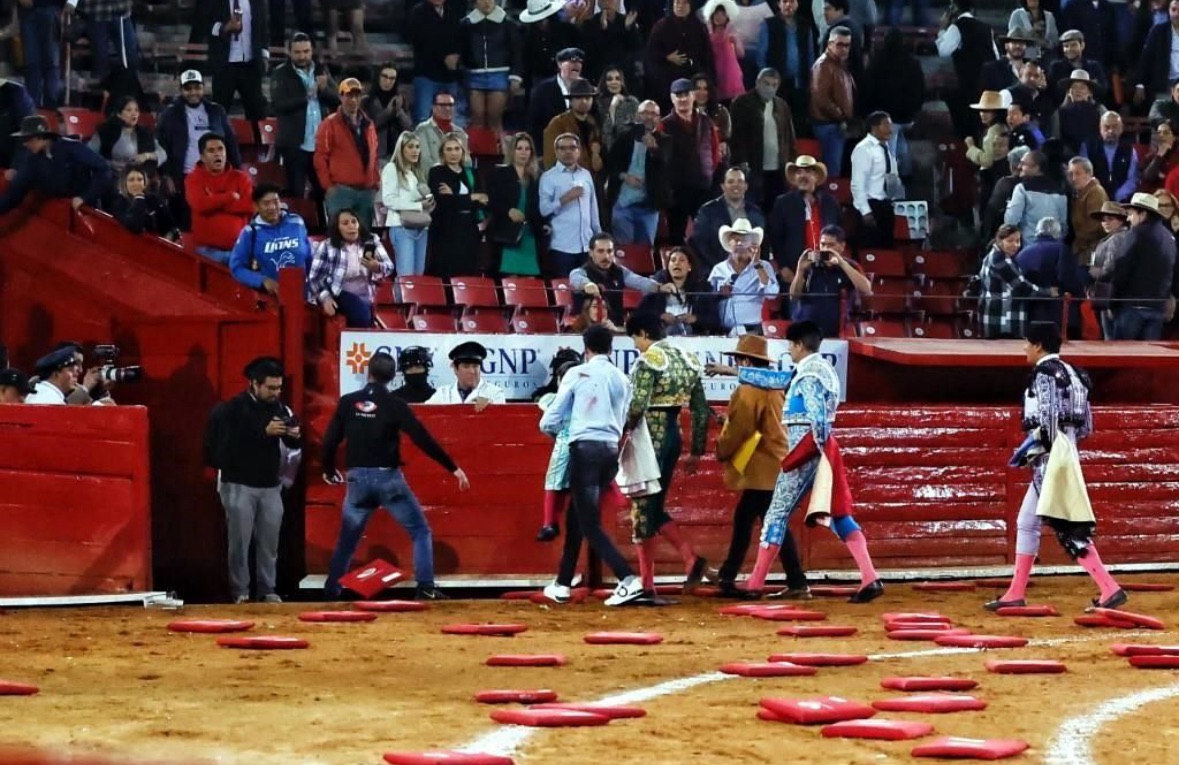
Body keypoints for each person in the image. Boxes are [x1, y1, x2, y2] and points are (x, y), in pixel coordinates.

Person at [986, 322, 1126, 612]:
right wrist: (1068, 447)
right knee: (1027, 522)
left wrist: (1045, 449)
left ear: (1038, 345)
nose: (1024, 349)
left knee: (1066, 525)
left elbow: (1048, 416)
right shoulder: (1076, 373)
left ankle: (1109, 587)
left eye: (1027, 343)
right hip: (1067, 449)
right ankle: (1015, 592)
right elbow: (1087, 425)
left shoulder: (1044, 374)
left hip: (1051, 454)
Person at [743, 320, 883, 603]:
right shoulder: (815, 370)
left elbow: (817, 418)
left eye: (789, 346)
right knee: (838, 515)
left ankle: (754, 583)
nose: (788, 351)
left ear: (798, 345)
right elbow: (779, 381)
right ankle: (870, 577)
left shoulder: (809, 376)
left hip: (807, 452)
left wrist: (816, 453)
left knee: (776, 514)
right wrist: (736, 372)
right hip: (818, 451)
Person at [321, 351, 470, 602]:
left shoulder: (348, 401)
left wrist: (328, 469)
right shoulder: (396, 405)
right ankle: (425, 586)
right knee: (420, 531)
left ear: (368, 373)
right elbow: (422, 438)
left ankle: (331, 591)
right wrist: (452, 467)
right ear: (392, 377)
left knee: (347, 540)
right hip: (387, 479)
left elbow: (330, 441)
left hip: (356, 479)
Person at [539, 325, 645, 606]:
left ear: (586, 348)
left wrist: (558, 432)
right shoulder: (622, 378)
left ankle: (627, 579)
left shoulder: (576, 373)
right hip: (610, 450)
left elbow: (550, 419)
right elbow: (625, 419)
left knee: (588, 522)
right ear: (611, 349)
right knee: (578, 517)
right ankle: (562, 583)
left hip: (584, 450)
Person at [624, 311, 712, 605]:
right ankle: (688, 558)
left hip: (650, 439)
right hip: (673, 438)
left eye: (635, 339)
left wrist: (622, 433)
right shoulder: (688, 359)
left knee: (642, 507)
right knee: (654, 506)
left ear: (643, 334)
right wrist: (697, 450)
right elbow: (700, 410)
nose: (636, 345)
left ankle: (647, 586)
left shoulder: (647, 360)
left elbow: (637, 405)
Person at [714, 329, 810, 599]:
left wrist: (722, 447)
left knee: (757, 521)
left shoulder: (748, 390)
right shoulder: (775, 387)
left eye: (738, 360)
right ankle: (792, 580)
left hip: (762, 466)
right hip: (775, 462)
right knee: (763, 521)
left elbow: (741, 430)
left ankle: (730, 577)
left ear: (745, 362)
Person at [202, 356, 300, 604]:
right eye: (270, 387)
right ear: (254, 384)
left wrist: (293, 436)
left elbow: (292, 448)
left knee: (269, 546)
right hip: (238, 484)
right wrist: (262, 434)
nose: (276, 392)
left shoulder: (282, 409)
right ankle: (240, 592)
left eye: (279, 387)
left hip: (270, 485)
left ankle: (267, 590)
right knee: (239, 544)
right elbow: (218, 452)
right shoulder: (230, 410)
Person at [270, 32, 338, 199]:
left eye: (306, 51)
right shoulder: (281, 73)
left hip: (320, 146)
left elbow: (337, 101)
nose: (302, 56)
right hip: (294, 146)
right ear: (289, 52)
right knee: (296, 194)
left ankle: (320, 225)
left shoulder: (321, 70)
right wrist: (306, 97)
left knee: (323, 193)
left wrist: (322, 90)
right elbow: (278, 106)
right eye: (298, 52)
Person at [155, 71, 240, 202]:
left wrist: (237, 172)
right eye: (188, 88)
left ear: (203, 87)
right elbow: (162, 145)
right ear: (181, 90)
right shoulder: (170, 114)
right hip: (184, 176)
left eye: (197, 87)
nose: (193, 92)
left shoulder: (217, 111)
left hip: (216, 176)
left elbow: (230, 142)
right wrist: (166, 175)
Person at [0, 116, 111, 216]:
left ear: (40, 137)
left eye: (27, 139)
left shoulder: (72, 148)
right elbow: (15, 194)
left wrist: (85, 197)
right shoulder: (32, 161)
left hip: (87, 211)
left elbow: (103, 169)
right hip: (63, 213)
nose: (25, 144)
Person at [308, 208, 394, 328]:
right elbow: (314, 278)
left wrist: (377, 266)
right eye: (345, 223)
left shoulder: (371, 240)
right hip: (338, 292)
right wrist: (325, 298)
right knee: (361, 314)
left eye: (354, 222)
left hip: (367, 294)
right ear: (337, 228)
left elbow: (389, 267)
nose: (351, 226)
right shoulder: (327, 246)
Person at [1108, 192, 1178, 339]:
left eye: (1131, 214)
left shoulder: (1134, 234)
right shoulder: (1169, 238)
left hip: (1131, 307)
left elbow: (1122, 270)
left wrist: (1112, 302)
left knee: (1123, 358)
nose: (1128, 218)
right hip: (1157, 308)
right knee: (1147, 360)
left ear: (1143, 214)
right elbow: (1174, 273)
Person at [659, 78, 720, 245]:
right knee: (676, 236)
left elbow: (715, 153)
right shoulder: (664, 125)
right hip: (676, 192)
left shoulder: (707, 122)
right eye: (678, 95)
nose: (683, 99)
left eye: (686, 94)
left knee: (707, 234)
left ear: (693, 96)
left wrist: (706, 173)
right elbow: (659, 161)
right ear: (672, 98)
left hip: (703, 189)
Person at [768, 155, 840, 290]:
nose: (803, 176)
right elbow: (775, 238)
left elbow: (838, 235)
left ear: (816, 177)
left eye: (808, 172)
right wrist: (783, 267)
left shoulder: (830, 203)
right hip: (793, 271)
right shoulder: (783, 203)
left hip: (825, 272)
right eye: (799, 172)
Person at [729, 69, 796, 212]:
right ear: (757, 83)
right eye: (766, 83)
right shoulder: (742, 103)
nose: (770, 88)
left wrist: (791, 162)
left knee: (776, 210)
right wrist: (741, 162)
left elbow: (790, 138)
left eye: (774, 85)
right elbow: (735, 137)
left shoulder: (782, 106)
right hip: (752, 169)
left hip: (778, 169)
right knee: (752, 210)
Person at [315, 78, 380, 226]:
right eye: (349, 95)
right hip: (341, 191)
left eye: (357, 96)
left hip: (366, 191)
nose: (353, 100)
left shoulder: (368, 124)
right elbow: (320, 157)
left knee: (364, 237)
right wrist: (329, 186)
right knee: (339, 238)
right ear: (340, 97)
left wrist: (375, 182)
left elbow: (374, 155)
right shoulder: (329, 124)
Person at [229, 183, 313, 296]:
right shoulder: (249, 232)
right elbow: (236, 268)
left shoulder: (296, 222)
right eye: (266, 203)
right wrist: (261, 280)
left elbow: (309, 258)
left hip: (302, 294)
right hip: (270, 300)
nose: (272, 207)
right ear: (256, 206)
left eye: (275, 201)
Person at [570, 233, 671, 326]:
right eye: (600, 251)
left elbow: (640, 281)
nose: (606, 256)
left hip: (615, 327)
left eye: (609, 251)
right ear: (591, 253)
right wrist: (586, 284)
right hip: (586, 328)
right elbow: (575, 278)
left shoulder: (620, 272)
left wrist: (660, 287)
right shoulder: (580, 272)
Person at [606, 100, 670, 247]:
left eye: (653, 114)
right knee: (624, 252)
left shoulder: (665, 140)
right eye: (644, 113)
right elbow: (610, 164)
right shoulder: (624, 138)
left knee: (645, 254)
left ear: (659, 118)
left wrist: (654, 148)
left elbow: (667, 164)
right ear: (637, 116)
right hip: (623, 205)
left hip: (649, 207)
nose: (648, 117)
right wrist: (624, 176)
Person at [863, 30, 925, 182]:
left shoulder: (878, 62)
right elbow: (921, 89)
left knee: (889, 156)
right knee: (899, 143)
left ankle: (893, 193)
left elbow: (869, 89)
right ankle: (906, 175)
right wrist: (915, 111)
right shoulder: (913, 63)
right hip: (907, 117)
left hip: (887, 118)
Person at [789, 224, 872, 336]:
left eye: (831, 245)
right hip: (806, 331)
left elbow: (866, 289)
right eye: (823, 245)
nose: (826, 249)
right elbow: (793, 296)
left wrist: (842, 263)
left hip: (835, 332)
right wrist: (800, 271)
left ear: (842, 246)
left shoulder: (851, 266)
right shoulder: (810, 264)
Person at [977, 223, 1057, 339]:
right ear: (999, 241)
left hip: (995, 319)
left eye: (1018, 241)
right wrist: (1048, 292)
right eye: (1010, 241)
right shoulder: (1000, 259)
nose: (1015, 245)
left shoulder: (992, 256)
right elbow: (1022, 288)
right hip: (1002, 323)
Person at [196, 0, 269, 127]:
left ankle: (259, 145)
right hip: (224, 65)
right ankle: (217, 144)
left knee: (257, 112)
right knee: (219, 111)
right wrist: (225, 28)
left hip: (250, 64)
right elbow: (204, 24)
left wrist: (264, 55)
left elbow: (262, 27)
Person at [185, 132, 254, 264]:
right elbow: (200, 204)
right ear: (202, 157)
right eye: (211, 150)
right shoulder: (193, 179)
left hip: (239, 248)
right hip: (208, 251)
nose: (217, 154)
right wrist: (230, 196)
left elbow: (251, 205)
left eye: (220, 149)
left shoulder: (240, 177)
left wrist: (214, 200)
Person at [539, 133, 601, 277]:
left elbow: (593, 208)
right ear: (556, 151)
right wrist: (564, 198)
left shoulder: (586, 174)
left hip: (587, 245)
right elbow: (543, 210)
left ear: (578, 151)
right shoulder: (548, 177)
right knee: (565, 291)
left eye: (572, 148)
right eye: (563, 148)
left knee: (588, 291)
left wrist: (598, 237)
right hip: (562, 246)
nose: (568, 152)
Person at [936, 0, 999, 138]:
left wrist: (942, 29)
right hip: (987, 86)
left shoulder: (957, 27)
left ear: (955, 9)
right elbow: (996, 55)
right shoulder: (987, 28)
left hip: (968, 86)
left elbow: (943, 50)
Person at [428, 134, 488, 278]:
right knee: (446, 277)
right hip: (445, 232)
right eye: (449, 149)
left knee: (467, 276)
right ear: (443, 152)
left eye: (457, 149)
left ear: (463, 151)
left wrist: (454, 196)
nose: (453, 153)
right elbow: (444, 202)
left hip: (469, 233)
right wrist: (472, 197)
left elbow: (484, 199)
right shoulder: (437, 172)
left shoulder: (472, 173)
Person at [461, 0, 522, 141]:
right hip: (474, 74)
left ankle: (500, 157)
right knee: (477, 118)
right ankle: (475, 157)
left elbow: (517, 52)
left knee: (495, 119)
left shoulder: (508, 23)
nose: (487, 2)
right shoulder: (466, 24)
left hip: (499, 74)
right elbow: (461, 50)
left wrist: (515, 76)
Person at [488, 132, 546, 277]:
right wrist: (508, 211)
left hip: (529, 234)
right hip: (508, 233)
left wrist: (543, 224)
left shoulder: (537, 176)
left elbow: (539, 205)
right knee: (510, 279)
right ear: (512, 151)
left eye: (527, 149)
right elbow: (491, 201)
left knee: (530, 280)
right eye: (519, 148)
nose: (523, 152)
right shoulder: (500, 173)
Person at [536, 358, 580, 541]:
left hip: (566, 441)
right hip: (589, 441)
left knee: (554, 480)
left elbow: (547, 425)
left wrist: (558, 436)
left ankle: (549, 522)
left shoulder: (553, 400)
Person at [709, 218, 779, 334]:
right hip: (722, 329)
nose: (740, 243)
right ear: (729, 243)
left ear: (752, 244)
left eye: (744, 240)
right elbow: (708, 298)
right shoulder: (718, 269)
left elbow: (772, 293)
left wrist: (757, 264)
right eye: (736, 240)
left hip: (752, 328)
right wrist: (719, 293)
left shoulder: (764, 266)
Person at [692, 167, 767, 272]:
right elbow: (700, 244)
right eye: (730, 181)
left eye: (740, 181)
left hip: (750, 274)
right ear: (723, 186)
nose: (735, 185)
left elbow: (763, 245)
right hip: (714, 271)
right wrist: (722, 269)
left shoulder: (756, 212)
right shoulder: (707, 211)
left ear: (746, 186)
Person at [380, 132, 434, 279]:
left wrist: (428, 203)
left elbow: (421, 203)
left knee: (418, 275)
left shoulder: (416, 173)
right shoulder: (392, 168)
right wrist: (418, 206)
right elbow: (389, 200)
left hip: (421, 227)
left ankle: (415, 303)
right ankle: (401, 302)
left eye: (417, 147)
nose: (415, 150)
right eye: (410, 146)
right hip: (401, 226)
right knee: (406, 276)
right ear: (401, 149)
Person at [759, 0, 816, 134]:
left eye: (792, 1)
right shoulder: (769, 24)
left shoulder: (805, 25)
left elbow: (810, 54)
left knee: (799, 122)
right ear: (779, 4)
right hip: (776, 83)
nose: (788, 5)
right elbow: (761, 55)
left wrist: (811, 80)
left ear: (797, 4)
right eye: (784, 1)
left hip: (799, 82)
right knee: (777, 122)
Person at [646, 0, 715, 110]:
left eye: (684, 3)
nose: (680, 6)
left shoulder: (698, 26)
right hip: (667, 82)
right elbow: (651, 52)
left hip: (693, 79)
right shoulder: (661, 26)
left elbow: (706, 54)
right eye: (677, 3)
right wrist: (666, 57)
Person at [1015, 216, 1081, 329]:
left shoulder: (1022, 253)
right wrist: (1080, 293)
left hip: (1028, 311)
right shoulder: (1062, 249)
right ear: (1058, 232)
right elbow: (1067, 279)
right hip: (1056, 311)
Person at [407, 0, 463, 125]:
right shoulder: (418, 12)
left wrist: (457, 56)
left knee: (451, 121)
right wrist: (444, 57)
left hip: (449, 77)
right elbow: (421, 40)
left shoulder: (452, 12)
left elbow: (460, 38)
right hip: (426, 75)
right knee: (423, 118)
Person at [637, 247, 717, 336]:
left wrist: (695, 319)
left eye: (681, 260)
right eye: (673, 260)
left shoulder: (701, 289)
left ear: (689, 266)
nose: (676, 263)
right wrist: (660, 316)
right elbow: (640, 315)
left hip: (693, 339)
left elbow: (714, 320)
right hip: (660, 335)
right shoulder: (657, 288)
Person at [850, 111, 901, 248]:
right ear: (874, 127)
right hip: (871, 207)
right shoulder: (863, 149)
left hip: (885, 205)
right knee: (871, 250)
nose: (890, 129)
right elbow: (857, 184)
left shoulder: (886, 148)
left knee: (887, 251)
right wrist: (866, 211)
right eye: (886, 125)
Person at [808, 26, 855, 177]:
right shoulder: (823, 65)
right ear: (829, 44)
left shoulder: (839, 64)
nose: (844, 49)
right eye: (839, 44)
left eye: (847, 45)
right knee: (830, 172)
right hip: (828, 126)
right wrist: (841, 116)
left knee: (834, 170)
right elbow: (821, 99)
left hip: (835, 124)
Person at [89, 96, 166, 177]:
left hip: (138, 178)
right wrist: (111, 164)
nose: (134, 114)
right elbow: (90, 154)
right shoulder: (106, 132)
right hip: (112, 177)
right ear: (119, 114)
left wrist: (146, 156)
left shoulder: (144, 133)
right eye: (129, 110)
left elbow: (162, 153)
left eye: (136, 110)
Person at [527, 47, 588, 149]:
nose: (576, 65)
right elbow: (533, 125)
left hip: (581, 151)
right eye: (572, 61)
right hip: (550, 149)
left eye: (579, 61)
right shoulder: (542, 90)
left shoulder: (587, 89)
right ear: (559, 64)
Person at [1005, 150, 1069, 245]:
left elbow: (1011, 221)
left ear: (1036, 168)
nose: (1019, 167)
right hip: (1055, 249)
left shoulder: (1022, 189)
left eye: (1023, 164)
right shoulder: (1060, 193)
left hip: (1029, 247)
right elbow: (1063, 225)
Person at [1088, 201, 1132, 339]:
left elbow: (1109, 269)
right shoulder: (1117, 238)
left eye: (1110, 219)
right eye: (1103, 220)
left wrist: (1092, 271)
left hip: (1110, 295)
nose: (1105, 222)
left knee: (1111, 339)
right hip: (1111, 295)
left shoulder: (1116, 239)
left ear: (1121, 221)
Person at [541, 78, 603, 173]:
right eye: (579, 98)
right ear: (570, 101)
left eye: (587, 98)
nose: (584, 101)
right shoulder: (558, 123)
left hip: (590, 180)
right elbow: (550, 158)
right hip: (566, 180)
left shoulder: (593, 123)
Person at [111, 165, 181, 242]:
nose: (136, 184)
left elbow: (172, 226)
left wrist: (170, 235)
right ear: (124, 183)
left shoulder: (153, 199)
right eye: (131, 180)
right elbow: (136, 226)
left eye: (139, 179)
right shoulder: (119, 203)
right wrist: (139, 197)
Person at [1082, 112, 1139, 203]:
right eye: (1107, 127)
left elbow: (1132, 179)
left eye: (1115, 127)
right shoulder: (1089, 147)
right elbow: (1083, 176)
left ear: (1121, 129)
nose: (1111, 131)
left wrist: (1117, 196)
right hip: (1094, 199)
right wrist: (1099, 194)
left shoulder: (1129, 150)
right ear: (1100, 129)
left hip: (1120, 201)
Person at [426, 342, 507, 406]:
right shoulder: (443, 393)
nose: (472, 371)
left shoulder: (495, 393)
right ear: (455, 369)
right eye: (466, 366)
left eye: (475, 366)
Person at [363, 63, 414, 162]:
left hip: (397, 155)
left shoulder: (400, 100)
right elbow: (367, 127)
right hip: (376, 154)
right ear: (378, 77)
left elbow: (409, 128)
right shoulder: (367, 101)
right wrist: (387, 113)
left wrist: (399, 111)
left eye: (392, 78)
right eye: (385, 77)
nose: (388, 81)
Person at [1067, 157, 1109, 269]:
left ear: (1089, 173)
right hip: (1085, 251)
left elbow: (1096, 226)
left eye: (1077, 174)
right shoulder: (1081, 193)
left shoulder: (1095, 193)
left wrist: (1078, 244)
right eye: (1071, 174)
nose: (1073, 178)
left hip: (1092, 252)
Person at [414, 92, 471, 171]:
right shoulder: (422, 130)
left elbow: (467, 162)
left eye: (450, 105)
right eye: (442, 105)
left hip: (457, 179)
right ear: (433, 107)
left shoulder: (460, 132)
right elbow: (425, 163)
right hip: (429, 180)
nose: (447, 108)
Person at [703, 0, 746, 102]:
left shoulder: (733, 33)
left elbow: (741, 54)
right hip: (714, 74)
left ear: (727, 17)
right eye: (716, 14)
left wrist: (735, 42)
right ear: (711, 16)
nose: (719, 17)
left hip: (731, 75)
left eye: (722, 14)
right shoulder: (707, 36)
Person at [1057, 70, 1105, 157]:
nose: (1078, 90)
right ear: (1069, 92)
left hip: (1095, 153)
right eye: (1074, 87)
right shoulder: (1060, 112)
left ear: (1090, 92)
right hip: (1068, 155)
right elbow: (1056, 136)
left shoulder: (1099, 110)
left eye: (1082, 87)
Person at [596, 67, 641, 153]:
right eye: (609, 79)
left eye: (618, 78)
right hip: (606, 151)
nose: (614, 82)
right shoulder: (598, 104)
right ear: (604, 82)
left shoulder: (632, 102)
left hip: (629, 150)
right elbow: (605, 134)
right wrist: (613, 107)